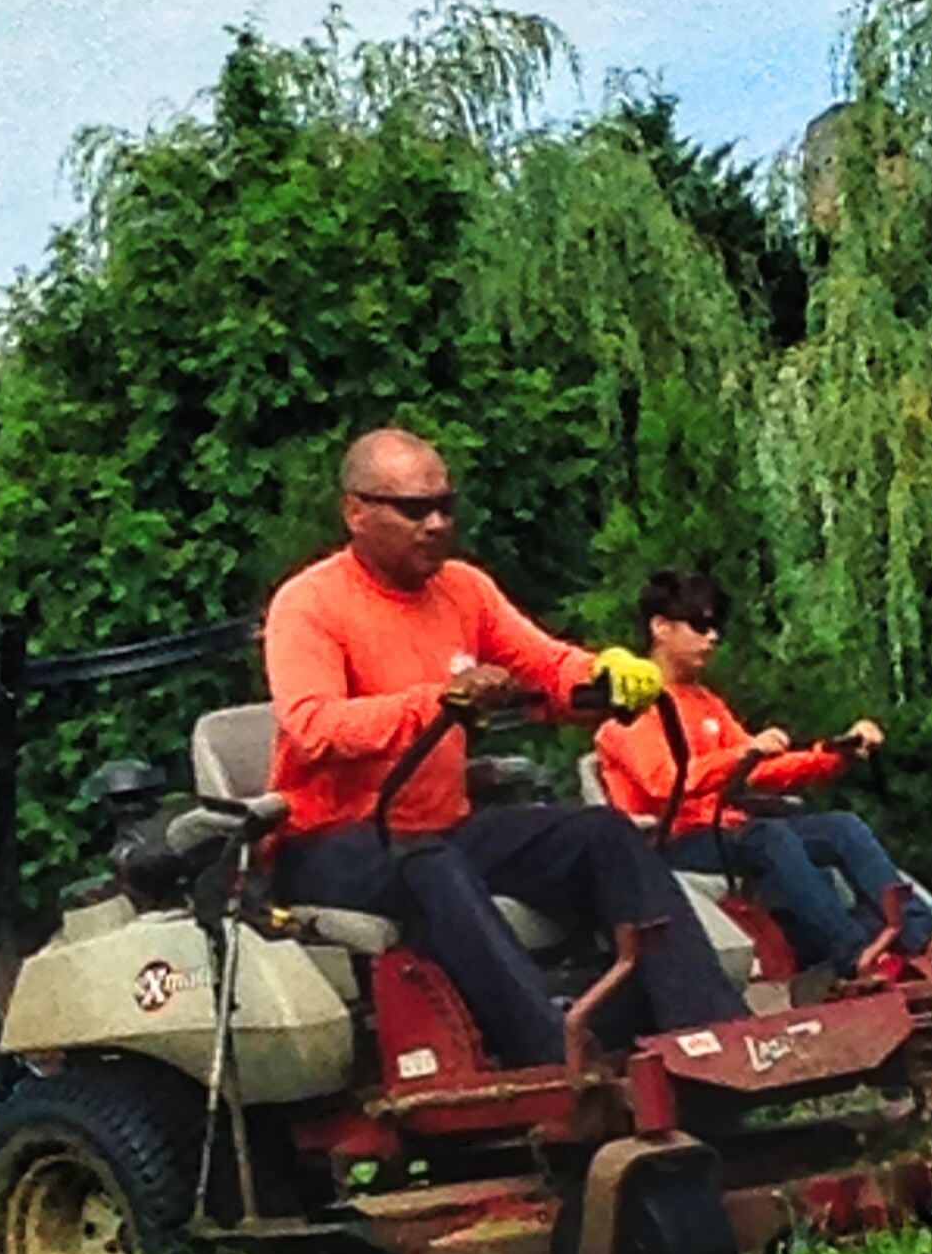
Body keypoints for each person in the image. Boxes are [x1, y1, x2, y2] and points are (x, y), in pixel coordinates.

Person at [263, 428, 749, 1066]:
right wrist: (439, 700)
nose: (436, 523)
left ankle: (714, 1041)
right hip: (330, 844)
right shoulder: (309, 604)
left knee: (602, 834)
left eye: (446, 506)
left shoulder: (465, 589)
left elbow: (546, 663)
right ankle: (558, 1062)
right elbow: (313, 726)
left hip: (439, 830)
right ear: (356, 512)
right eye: (414, 510)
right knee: (430, 864)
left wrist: (601, 676)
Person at [594, 569, 932, 976]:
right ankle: (856, 954)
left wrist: (836, 753)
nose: (713, 638)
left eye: (717, 628)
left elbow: (762, 769)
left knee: (842, 828)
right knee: (770, 837)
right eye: (700, 625)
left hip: (725, 832)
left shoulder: (706, 703)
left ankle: (926, 938)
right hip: (673, 841)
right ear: (660, 627)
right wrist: (743, 753)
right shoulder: (631, 712)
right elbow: (665, 783)